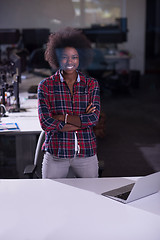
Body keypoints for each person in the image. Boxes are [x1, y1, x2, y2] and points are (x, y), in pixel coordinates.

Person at [38, 27, 101, 179]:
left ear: (81, 58)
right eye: (65, 57)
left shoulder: (91, 84)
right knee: (50, 196)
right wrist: (80, 121)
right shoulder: (46, 85)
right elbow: (46, 123)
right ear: (57, 57)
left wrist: (61, 117)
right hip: (56, 153)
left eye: (75, 57)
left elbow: (93, 119)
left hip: (86, 152)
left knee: (91, 197)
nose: (70, 61)